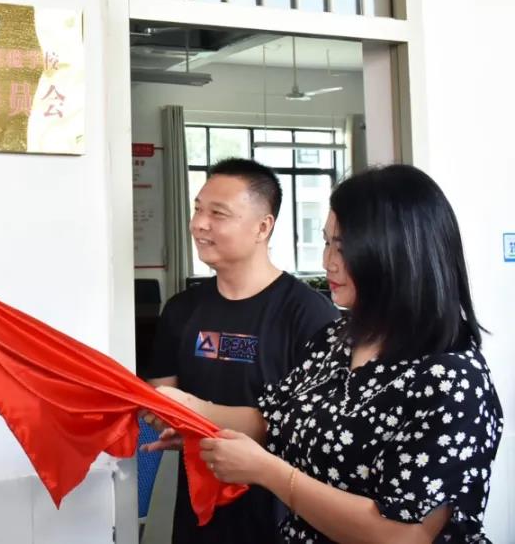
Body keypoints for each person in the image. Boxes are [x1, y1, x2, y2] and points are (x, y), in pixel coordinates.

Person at [153, 165, 503, 542]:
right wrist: (192, 411)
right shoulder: (337, 340)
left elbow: (405, 536)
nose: (328, 262)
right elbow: (275, 419)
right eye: (327, 243)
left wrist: (269, 472)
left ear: (398, 254)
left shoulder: (451, 379)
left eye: (344, 248)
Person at [145, 157, 338, 544]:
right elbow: (161, 400)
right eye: (198, 209)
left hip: (282, 516)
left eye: (218, 213)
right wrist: (165, 417)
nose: (199, 224)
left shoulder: (311, 315)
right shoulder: (181, 310)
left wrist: (196, 414)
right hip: (199, 513)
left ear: (263, 227)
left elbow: (314, 427)